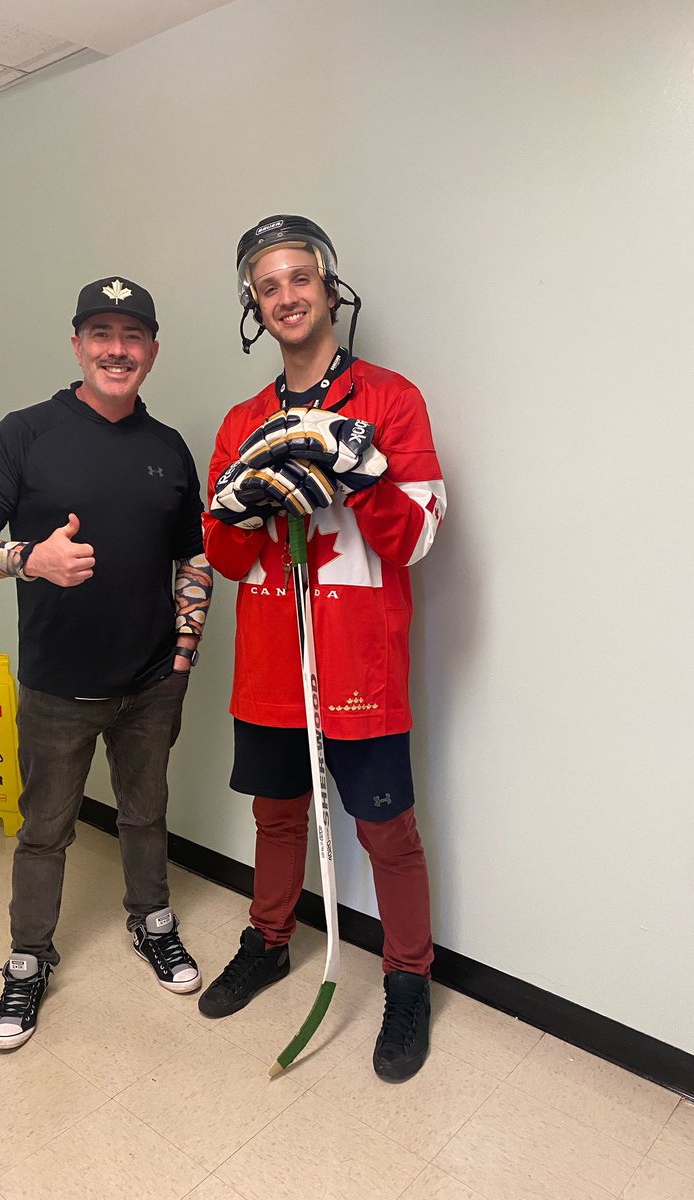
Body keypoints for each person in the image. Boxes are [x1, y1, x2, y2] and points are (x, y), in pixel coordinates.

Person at [200, 216, 445, 1082]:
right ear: (255, 307)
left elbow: (415, 538)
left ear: (329, 287)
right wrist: (233, 509)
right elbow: (228, 560)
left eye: (299, 277)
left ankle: (408, 978)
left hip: (360, 666)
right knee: (276, 817)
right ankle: (269, 943)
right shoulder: (241, 421)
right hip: (272, 663)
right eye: (268, 286)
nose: (287, 296)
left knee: (388, 832)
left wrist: (362, 470)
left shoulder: (391, 399)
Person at [0, 277, 212, 1050]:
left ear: (152, 352)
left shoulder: (167, 448)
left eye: (132, 336)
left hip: (153, 681)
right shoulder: (25, 434)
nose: (116, 349)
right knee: (44, 832)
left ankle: (152, 924)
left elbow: (194, 557)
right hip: (58, 689)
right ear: (76, 345)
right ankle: (28, 962)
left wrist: (184, 653)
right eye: (101, 333)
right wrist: (31, 558)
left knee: (145, 814)